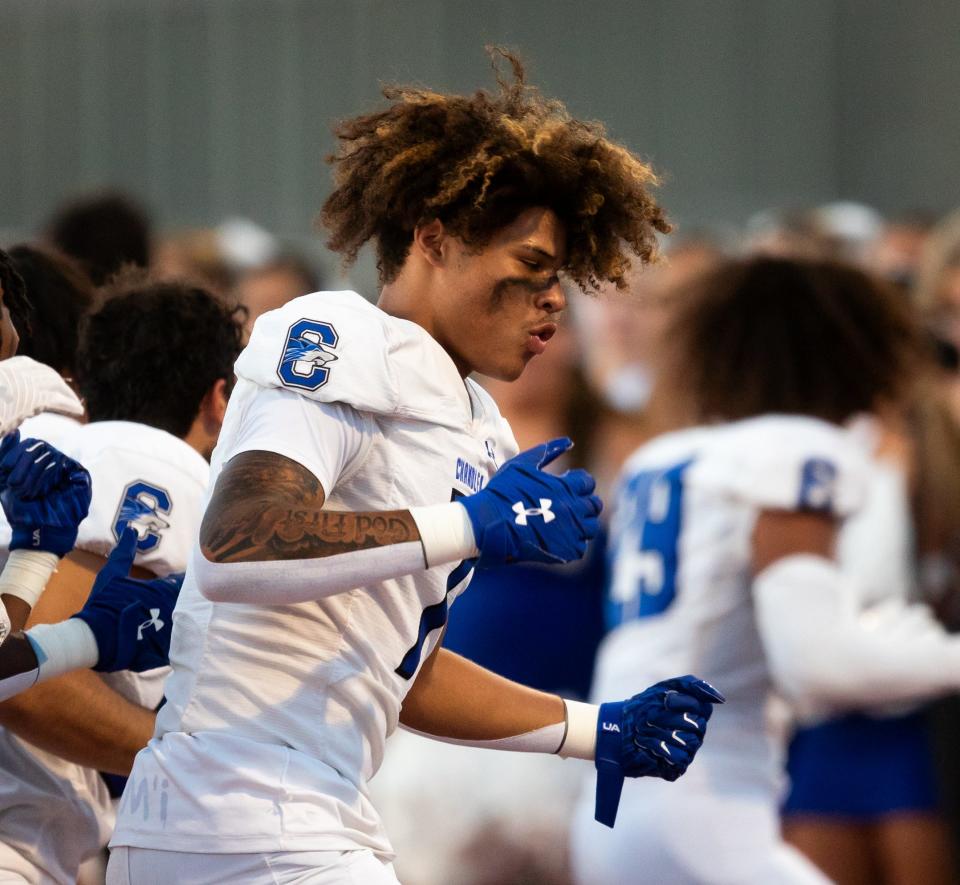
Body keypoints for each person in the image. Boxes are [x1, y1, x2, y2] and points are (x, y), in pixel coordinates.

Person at [107, 50, 723, 885]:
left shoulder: (481, 427)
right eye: (531, 269)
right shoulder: (340, 333)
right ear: (434, 239)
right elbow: (238, 543)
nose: (552, 301)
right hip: (238, 807)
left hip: (311, 804)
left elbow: (406, 668)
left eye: (561, 282)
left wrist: (594, 729)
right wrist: (469, 524)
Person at [570, 256, 960, 884]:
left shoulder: (661, 458)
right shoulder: (797, 451)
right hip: (707, 812)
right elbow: (819, 665)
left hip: (609, 815)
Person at [0, 274, 244, 884]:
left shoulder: (53, 442)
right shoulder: (150, 459)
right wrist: (198, 771)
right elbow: (26, 680)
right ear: (219, 400)